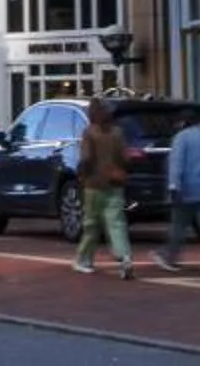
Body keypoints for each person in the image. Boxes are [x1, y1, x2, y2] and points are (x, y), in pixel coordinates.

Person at [152, 106, 200, 276]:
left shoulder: (181, 138)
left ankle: (171, 257)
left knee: (179, 225)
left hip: (187, 190)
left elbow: (176, 164)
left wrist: (173, 186)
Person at [71, 99, 133, 279]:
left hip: (94, 185)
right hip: (115, 183)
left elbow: (86, 158)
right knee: (117, 223)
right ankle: (124, 256)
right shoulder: (118, 133)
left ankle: (84, 259)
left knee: (91, 224)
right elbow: (126, 158)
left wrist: (82, 175)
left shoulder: (90, 133)